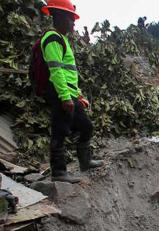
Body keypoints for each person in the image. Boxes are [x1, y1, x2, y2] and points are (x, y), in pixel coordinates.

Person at [40, 0, 103, 183]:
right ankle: (59, 173)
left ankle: (85, 161)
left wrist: (78, 95)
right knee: (60, 131)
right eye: (71, 19)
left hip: (69, 93)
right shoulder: (52, 39)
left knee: (85, 126)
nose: (73, 23)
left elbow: (68, 73)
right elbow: (56, 70)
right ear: (60, 17)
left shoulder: (62, 39)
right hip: (61, 94)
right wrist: (65, 97)